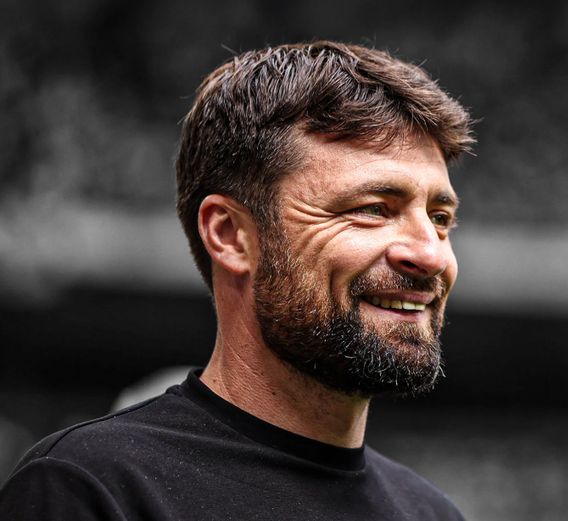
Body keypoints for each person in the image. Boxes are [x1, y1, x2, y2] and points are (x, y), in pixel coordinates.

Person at [0, 41, 474, 520]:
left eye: (440, 218)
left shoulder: (432, 514)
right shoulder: (91, 488)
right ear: (230, 235)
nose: (431, 255)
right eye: (372, 209)